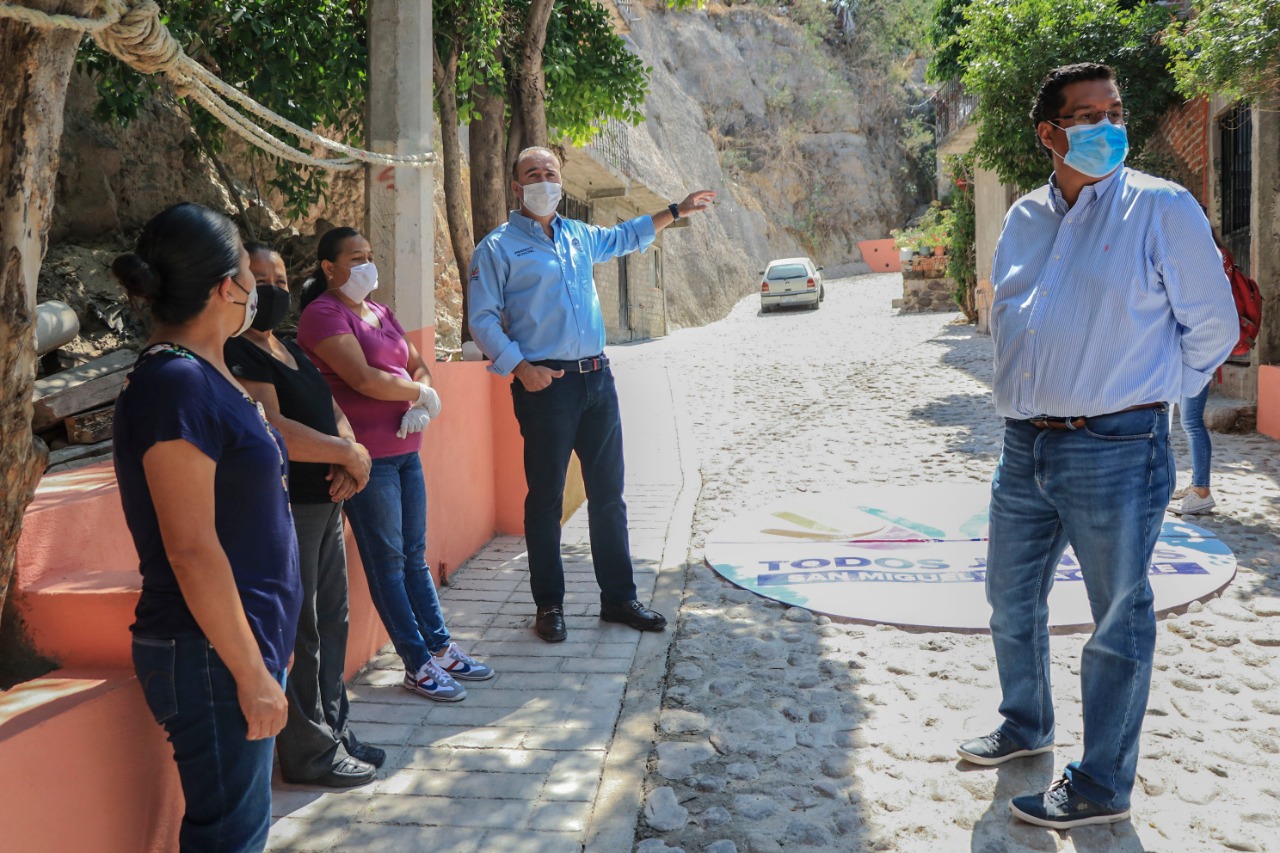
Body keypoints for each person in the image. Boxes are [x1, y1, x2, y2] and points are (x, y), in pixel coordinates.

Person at [955, 63, 1237, 829]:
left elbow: (1213, 326)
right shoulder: (1022, 219)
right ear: (1050, 133)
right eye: (1088, 115)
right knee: (1010, 597)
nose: (1109, 125)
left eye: (1115, 110)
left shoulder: (1160, 207)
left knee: (1118, 614)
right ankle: (1026, 724)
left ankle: (1103, 781)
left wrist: (1145, 393)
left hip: (1117, 446)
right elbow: (1016, 318)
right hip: (1025, 446)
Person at [468, 145, 715, 643]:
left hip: (597, 381)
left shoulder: (579, 236)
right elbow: (482, 319)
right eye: (532, 174)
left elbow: (625, 236)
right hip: (547, 386)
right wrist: (521, 369)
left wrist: (676, 210)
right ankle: (550, 605)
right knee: (545, 501)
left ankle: (618, 599)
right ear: (516, 187)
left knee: (609, 496)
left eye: (550, 173)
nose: (543, 180)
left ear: (561, 181)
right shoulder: (496, 248)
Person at [112, 203, 301, 852]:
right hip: (209, 651)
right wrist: (251, 673)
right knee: (232, 839)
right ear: (228, 286)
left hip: (229, 643)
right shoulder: (175, 385)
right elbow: (191, 548)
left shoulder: (204, 375)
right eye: (253, 273)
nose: (259, 291)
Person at [297, 226, 492, 702]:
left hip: (406, 452)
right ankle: (416, 662)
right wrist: (420, 393)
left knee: (414, 557)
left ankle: (441, 648)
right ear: (329, 267)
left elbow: (415, 363)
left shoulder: (380, 311)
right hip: (368, 460)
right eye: (355, 258)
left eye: (369, 255)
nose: (367, 265)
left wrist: (421, 395)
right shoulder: (323, 315)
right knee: (388, 563)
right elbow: (363, 379)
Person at [224, 243, 381, 787]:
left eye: (281, 278)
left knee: (333, 621)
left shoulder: (290, 347)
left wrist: (350, 458)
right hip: (287, 506)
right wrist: (345, 455)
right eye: (259, 279)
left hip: (326, 500)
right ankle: (309, 753)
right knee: (305, 630)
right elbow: (274, 428)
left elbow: (333, 410)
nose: (273, 289)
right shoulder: (237, 353)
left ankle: (333, 729)